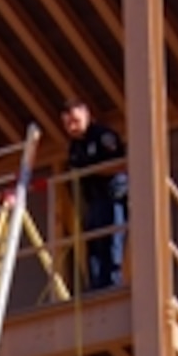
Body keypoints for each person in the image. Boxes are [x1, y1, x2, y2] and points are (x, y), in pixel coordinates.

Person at [59, 99, 127, 292]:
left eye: (75, 120)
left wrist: (90, 169)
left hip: (112, 196)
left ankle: (112, 284)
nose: (72, 127)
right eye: (67, 124)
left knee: (111, 243)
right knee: (94, 247)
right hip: (93, 201)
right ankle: (96, 287)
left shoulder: (102, 136)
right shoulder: (74, 147)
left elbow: (119, 165)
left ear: (86, 113)